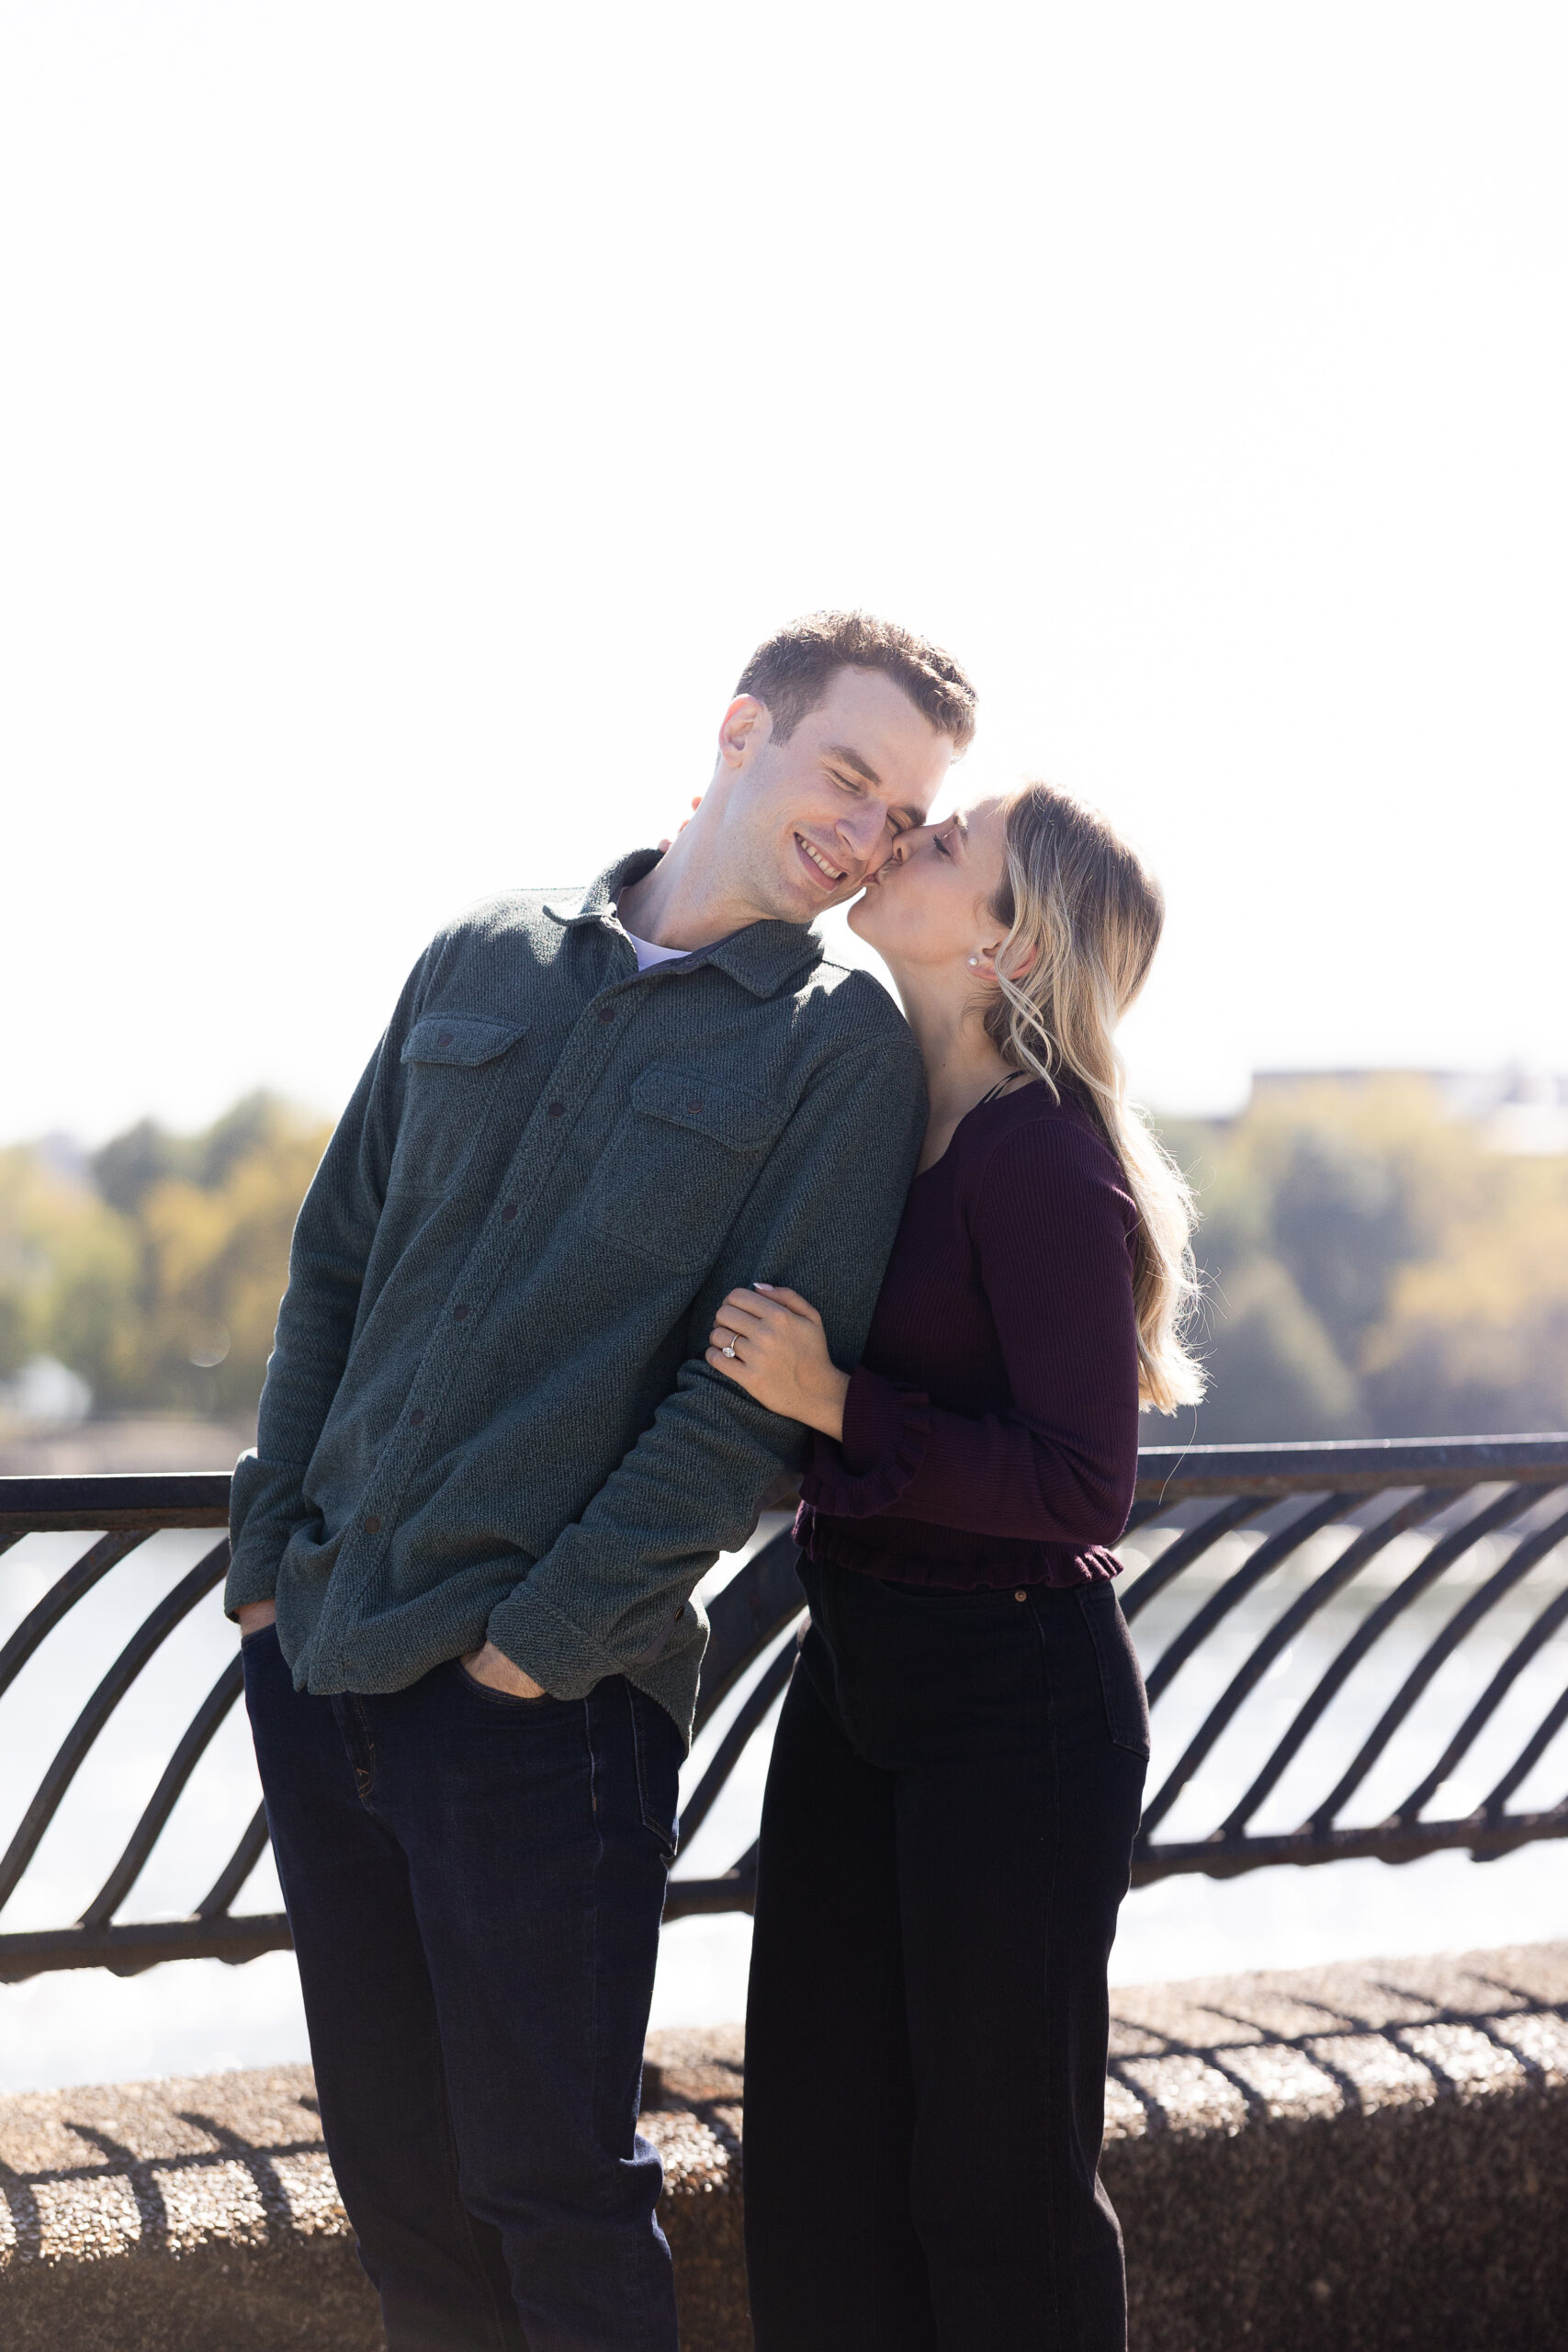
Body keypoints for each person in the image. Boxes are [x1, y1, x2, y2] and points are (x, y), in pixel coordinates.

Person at [226, 611, 977, 2352]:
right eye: (847, 776)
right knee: (406, 2215)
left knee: (556, 2204)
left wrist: (542, 1642)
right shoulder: (482, 956)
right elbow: (332, 1265)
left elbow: (745, 1415)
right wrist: (267, 1564)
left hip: (544, 1708)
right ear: (739, 732)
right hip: (324, 1656)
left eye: (905, 812)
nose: (867, 835)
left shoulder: (832, 1051)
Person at [708, 782, 1203, 2352]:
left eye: (945, 846)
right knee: (814, 2159)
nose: (900, 844)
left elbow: (1083, 1484)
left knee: (997, 2191)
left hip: (1016, 1715)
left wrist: (840, 1402)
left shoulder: (1042, 1160)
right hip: (858, 1680)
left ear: (1006, 945)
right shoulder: (875, 1115)